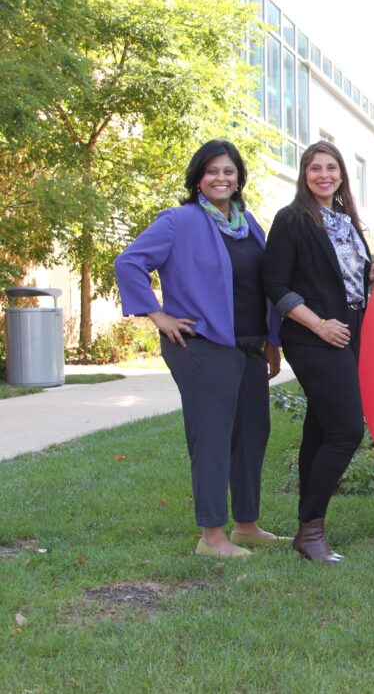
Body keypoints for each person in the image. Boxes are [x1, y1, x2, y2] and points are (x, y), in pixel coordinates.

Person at [115, 140, 284, 559]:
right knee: (212, 436)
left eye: (229, 171)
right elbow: (129, 262)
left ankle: (246, 525)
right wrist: (157, 315)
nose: (221, 178)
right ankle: (211, 536)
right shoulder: (179, 221)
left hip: (247, 346)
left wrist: (272, 342)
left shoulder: (249, 226)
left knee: (252, 432)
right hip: (200, 345)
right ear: (198, 178)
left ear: (239, 178)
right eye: (212, 172)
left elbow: (263, 285)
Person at [263, 140, 374, 564]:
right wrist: (318, 323)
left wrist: (370, 272)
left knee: (319, 430)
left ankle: (307, 530)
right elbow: (276, 285)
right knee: (347, 430)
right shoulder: (292, 219)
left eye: (331, 167)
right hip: (313, 335)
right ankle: (311, 529)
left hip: (350, 330)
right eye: (315, 168)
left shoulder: (345, 220)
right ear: (304, 174)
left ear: (341, 174)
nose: (324, 174)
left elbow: (338, 277)